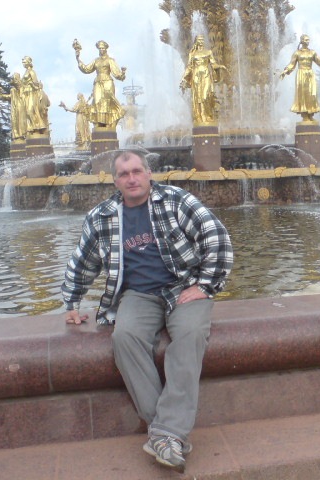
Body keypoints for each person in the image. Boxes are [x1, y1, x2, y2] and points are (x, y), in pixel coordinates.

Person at [61, 149, 233, 473]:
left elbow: (216, 237)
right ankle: (167, 434)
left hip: (183, 287)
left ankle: (164, 434)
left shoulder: (176, 201)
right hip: (138, 294)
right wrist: (71, 303)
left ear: (148, 173)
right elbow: (83, 261)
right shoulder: (102, 217)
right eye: (124, 174)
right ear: (115, 181)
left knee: (191, 335)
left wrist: (206, 285)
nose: (132, 178)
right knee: (124, 337)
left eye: (137, 171)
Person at [74, 39, 127, 128]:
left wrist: (122, 73)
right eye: (100, 48)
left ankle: (109, 123)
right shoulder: (96, 60)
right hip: (98, 82)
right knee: (97, 101)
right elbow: (87, 69)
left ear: (106, 49)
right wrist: (78, 59)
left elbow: (116, 73)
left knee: (108, 102)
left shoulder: (110, 60)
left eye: (103, 48)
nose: (101, 50)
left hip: (108, 82)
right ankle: (99, 122)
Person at [280, 34, 320, 122]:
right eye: (306, 40)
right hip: (301, 74)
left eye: (308, 40)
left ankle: (311, 114)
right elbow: (292, 64)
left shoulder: (312, 52)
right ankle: (305, 116)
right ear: (302, 41)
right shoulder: (297, 53)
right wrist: (285, 71)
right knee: (303, 94)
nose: (308, 41)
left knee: (312, 94)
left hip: (310, 74)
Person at [180, 35, 227, 125]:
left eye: (202, 39)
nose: (201, 41)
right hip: (196, 76)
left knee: (206, 96)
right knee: (198, 97)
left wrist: (220, 66)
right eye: (199, 40)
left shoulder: (208, 52)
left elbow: (213, 64)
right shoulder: (192, 54)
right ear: (196, 41)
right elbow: (189, 67)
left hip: (206, 75)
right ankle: (199, 117)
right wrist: (183, 78)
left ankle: (208, 116)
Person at [21, 56, 50, 134]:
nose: (23, 63)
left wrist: (33, 84)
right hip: (26, 94)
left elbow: (36, 82)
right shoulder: (26, 72)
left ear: (28, 62)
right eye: (23, 62)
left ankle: (38, 127)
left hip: (31, 93)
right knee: (27, 112)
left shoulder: (32, 72)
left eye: (24, 62)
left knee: (31, 110)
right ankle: (32, 128)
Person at [0, 72, 27, 141]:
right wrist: (0, 93)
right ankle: (17, 136)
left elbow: (22, 93)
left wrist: (16, 84)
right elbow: (8, 97)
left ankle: (22, 135)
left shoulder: (22, 88)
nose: (12, 80)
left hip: (21, 107)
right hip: (14, 108)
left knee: (21, 121)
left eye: (14, 78)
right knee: (14, 122)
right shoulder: (13, 90)